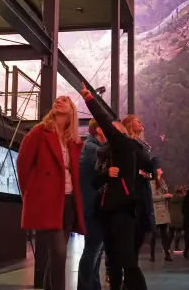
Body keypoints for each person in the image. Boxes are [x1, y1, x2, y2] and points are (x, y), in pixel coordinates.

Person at [80, 83, 149, 290]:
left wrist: (89, 99)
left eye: (116, 126)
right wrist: (105, 174)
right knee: (113, 262)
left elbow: (104, 121)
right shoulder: (105, 153)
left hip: (123, 209)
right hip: (106, 210)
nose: (113, 127)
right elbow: (94, 181)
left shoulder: (124, 145)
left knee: (127, 260)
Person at [17, 96, 86, 290]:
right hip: (47, 201)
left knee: (56, 256)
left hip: (69, 201)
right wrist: (32, 195)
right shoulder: (40, 132)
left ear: (72, 110)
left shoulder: (72, 141)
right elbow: (23, 165)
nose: (59, 101)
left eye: (65, 100)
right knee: (59, 252)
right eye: (56, 100)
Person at [120, 115, 160, 261]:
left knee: (138, 236)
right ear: (129, 125)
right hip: (135, 193)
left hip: (140, 190)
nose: (141, 122)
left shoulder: (141, 145)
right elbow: (145, 165)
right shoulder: (131, 144)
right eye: (137, 121)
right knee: (135, 236)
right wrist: (155, 163)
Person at [78, 119, 107, 290]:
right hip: (92, 207)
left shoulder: (93, 147)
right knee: (92, 250)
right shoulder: (91, 148)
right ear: (98, 129)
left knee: (96, 250)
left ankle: (92, 287)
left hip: (95, 206)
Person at [148, 177, 173, 262]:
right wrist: (164, 196)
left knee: (164, 235)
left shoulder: (162, 182)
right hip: (156, 212)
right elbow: (152, 198)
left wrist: (168, 196)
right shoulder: (151, 183)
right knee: (154, 235)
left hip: (163, 211)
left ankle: (167, 254)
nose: (161, 172)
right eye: (159, 170)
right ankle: (152, 255)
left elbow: (165, 191)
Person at [168, 185, 185, 252]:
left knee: (170, 233)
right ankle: (176, 247)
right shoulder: (182, 198)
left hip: (171, 217)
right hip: (179, 217)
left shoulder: (170, 198)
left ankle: (167, 247)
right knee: (178, 232)